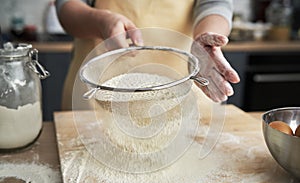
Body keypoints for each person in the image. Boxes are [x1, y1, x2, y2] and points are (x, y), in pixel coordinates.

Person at [55, 0, 240, 110]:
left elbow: (216, 4)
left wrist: (206, 38)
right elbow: (67, 6)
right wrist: (101, 22)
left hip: (185, 92)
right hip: (99, 91)